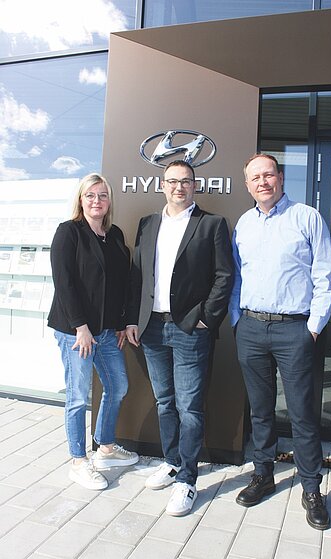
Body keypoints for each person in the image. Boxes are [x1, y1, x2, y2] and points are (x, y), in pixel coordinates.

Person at [229, 154, 331, 530]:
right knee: (260, 411)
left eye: (268, 175)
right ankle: (263, 474)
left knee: (302, 413)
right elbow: (237, 277)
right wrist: (237, 321)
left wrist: (313, 327)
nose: (262, 182)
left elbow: (326, 276)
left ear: (280, 177)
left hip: (295, 330)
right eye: (255, 177)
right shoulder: (244, 224)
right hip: (251, 328)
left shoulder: (306, 217)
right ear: (247, 185)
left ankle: (311, 488)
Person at [126, 159, 233, 516]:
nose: (178, 187)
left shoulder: (212, 224)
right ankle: (172, 462)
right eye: (172, 181)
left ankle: (188, 479)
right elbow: (137, 275)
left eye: (185, 181)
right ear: (163, 185)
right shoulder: (147, 224)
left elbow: (224, 276)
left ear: (194, 186)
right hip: (152, 327)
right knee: (165, 401)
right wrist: (133, 320)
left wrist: (206, 318)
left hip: (190, 328)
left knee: (189, 407)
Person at [48, 173, 139, 490]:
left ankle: (106, 448)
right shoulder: (69, 232)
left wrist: (120, 322)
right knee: (77, 396)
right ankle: (78, 461)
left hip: (106, 331)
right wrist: (81, 327)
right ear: (80, 199)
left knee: (118, 386)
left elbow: (119, 285)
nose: (96, 201)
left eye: (102, 195)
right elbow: (64, 283)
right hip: (76, 332)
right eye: (90, 195)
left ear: (109, 200)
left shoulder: (114, 234)